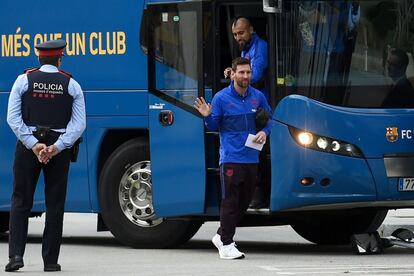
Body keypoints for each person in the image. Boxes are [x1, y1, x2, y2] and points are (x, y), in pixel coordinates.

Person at [5, 39, 86, 272]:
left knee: (20, 200)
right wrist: (56, 147)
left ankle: (16, 256)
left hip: (28, 145)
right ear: (60, 59)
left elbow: (13, 118)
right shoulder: (72, 84)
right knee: (55, 203)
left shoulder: (23, 80)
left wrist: (33, 144)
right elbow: (78, 124)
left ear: (39, 58)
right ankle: (50, 261)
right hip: (58, 149)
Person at [194, 57, 272, 259]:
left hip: (251, 158)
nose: (245, 76)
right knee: (230, 201)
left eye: (248, 72)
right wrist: (206, 115)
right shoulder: (221, 98)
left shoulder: (258, 96)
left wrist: (265, 131)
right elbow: (212, 126)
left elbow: (270, 120)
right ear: (233, 74)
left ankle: (221, 236)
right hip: (230, 158)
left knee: (244, 202)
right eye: (242, 72)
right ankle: (227, 244)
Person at [224, 17, 269, 98]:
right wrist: (233, 71)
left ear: (251, 30)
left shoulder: (259, 47)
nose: (238, 38)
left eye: (241, 33)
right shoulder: (245, 46)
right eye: (235, 34)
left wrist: (234, 74)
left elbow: (255, 76)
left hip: (260, 97)